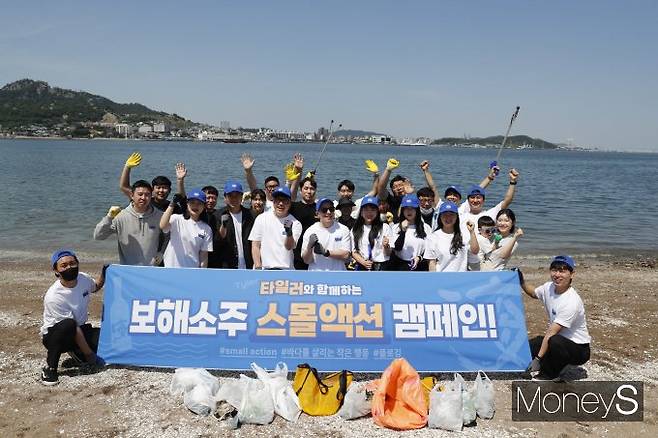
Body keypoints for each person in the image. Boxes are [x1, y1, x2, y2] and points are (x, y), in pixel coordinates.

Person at [517, 256, 591, 380]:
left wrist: (538, 359)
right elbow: (533, 293)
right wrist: (522, 282)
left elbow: (551, 333)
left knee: (554, 341)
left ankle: (550, 374)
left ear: (572, 274)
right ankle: (551, 362)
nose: (557, 275)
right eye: (554, 270)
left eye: (562, 271)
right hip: (558, 340)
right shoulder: (548, 287)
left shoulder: (571, 301)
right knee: (532, 346)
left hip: (579, 349)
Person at [41, 249, 106, 385]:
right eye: (64, 265)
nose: (69, 267)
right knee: (68, 325)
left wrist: (105, 273)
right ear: (56, 271)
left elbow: (95, 286)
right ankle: (50, 368)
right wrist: (90, 356)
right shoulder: (54, 296)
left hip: (80, 329)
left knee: (105, 339)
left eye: (72, 263)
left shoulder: (83, 278)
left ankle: (77, 351)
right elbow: (73, 328)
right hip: (57, 335)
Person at [93, 180, 165, 265]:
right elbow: (98, 236)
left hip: (151, 268)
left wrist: (162, 252)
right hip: (128, 268)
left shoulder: (160, 215)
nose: (143, 197)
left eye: (147, 195)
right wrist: (109, 218)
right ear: (132, 195)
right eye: (140, 194)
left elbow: (169, 236)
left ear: (151, 196)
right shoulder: (121, 216)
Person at [248, 186, 302, 270]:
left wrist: (289, 233)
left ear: (290, 203)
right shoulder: (261, 218)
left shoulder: (296, 223)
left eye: (284, 200)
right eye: (278, 200)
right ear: (273, 202)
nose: (281, 203)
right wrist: (258, 266)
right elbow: (255, 245)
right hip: (264, 269)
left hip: (286, 270)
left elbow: (289, 247)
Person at [160, 189, 213, 268]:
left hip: (192, 270)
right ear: (187, 204)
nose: (195, 206)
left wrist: (202, 273)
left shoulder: (207, 229)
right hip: (171, 268)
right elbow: (162, 226)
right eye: (192, 203)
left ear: (204, 206)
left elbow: (203, 256)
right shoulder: (176, 219)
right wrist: (172, 204)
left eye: (199, 203)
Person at [119, 152, 186, 212]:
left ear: (170, 190)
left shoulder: (173, 207)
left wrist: (180, 180)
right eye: (158, 187)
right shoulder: (145, 201)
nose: (161, 190)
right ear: (152, 190)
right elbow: (124, 186)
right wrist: (127, 167)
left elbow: (182, 200)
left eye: (164, 188)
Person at [424, 201, 478, 272]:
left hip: (461, 278)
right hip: (442, 278)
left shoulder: (464, 234)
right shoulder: (432, 237)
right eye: (445, 215)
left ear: (456, 217)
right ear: (440, 217)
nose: (448, 218)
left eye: (451, 215)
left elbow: (475, 251)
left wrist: (472, 232)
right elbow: (432, 263)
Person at [213, 181, 255, 269]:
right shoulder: (217, 215)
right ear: (225, 198)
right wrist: (223, 226)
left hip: (248, 265)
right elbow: (215, 243)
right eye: (230, 196)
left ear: (241, 197)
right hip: (226, 266)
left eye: (237, 196)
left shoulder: (250, 215)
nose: (234, 199)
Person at [301, 198, 352, 271]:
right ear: (317, 214)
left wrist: (326, 252)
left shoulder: (344, 229)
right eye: (324, 210)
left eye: (331, 209)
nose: (328, 212)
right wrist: (309, 247)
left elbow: (346, 255)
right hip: (317, 276)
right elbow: (307, 261)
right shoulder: (310, 231)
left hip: (338, 276)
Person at [390, 194, 432, 271]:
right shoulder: (395, 227)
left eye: (412, 208)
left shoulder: (426, 228)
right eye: (406, 208)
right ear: (402, 210)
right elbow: (397, 248)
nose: (409, 211)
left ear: (417, 210)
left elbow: (429, 249)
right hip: (400, 265)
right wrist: (403, 231)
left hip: (420, 264)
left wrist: (419, 258)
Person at [351, 196, 393, 271]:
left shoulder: (385, 227)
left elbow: (388, 253)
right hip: (362, 265)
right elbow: (353, 251)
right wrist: (363, 262)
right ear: (361, 212)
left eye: (373, 210)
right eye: (366, 210)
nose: (369, 213)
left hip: (381, 266)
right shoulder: (355, 229)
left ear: (377, 212)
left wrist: (386, 246)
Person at [289, 176, 319, 270]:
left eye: (312, 189)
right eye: (306, 188)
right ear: (300, 190)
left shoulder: (320, 209)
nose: (309, 191)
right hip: (296, 253)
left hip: (315, 253)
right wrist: (297, 174)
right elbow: (290, 195)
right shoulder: (293, 207)